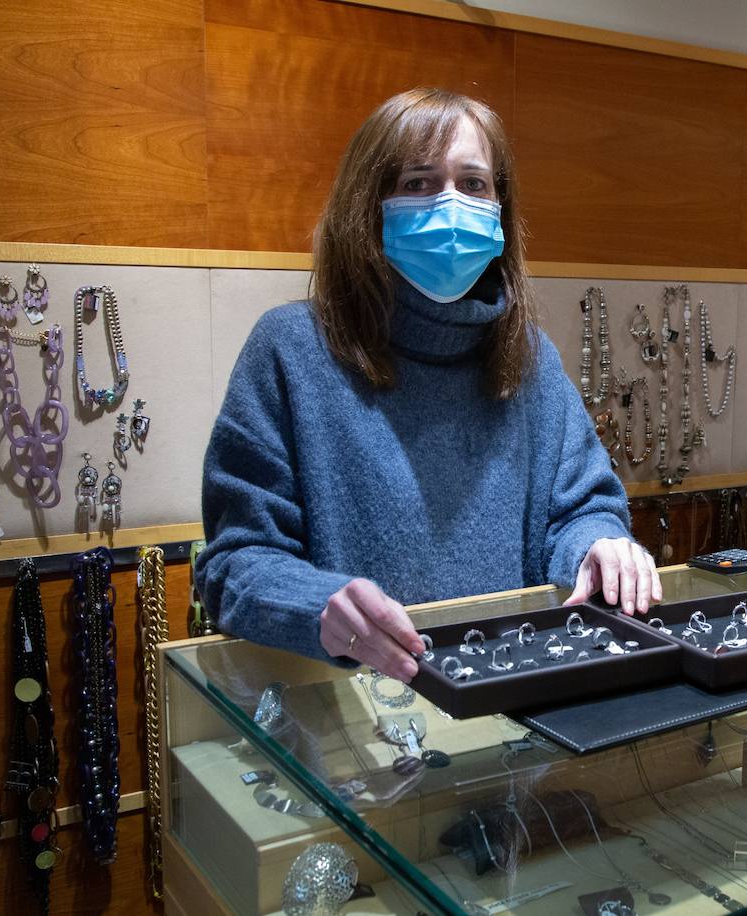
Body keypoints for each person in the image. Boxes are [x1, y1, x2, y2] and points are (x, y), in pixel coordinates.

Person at [195, 88, 661, 681]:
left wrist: (596, 548)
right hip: (343, 726)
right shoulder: (289, 350)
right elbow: (235, 562)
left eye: (473, 185)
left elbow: (580, 510)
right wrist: (318, 605)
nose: (450, 205)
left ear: (501, 206)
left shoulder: (530, 359)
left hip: (507, 713)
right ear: (368, 205)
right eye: (418, 182)